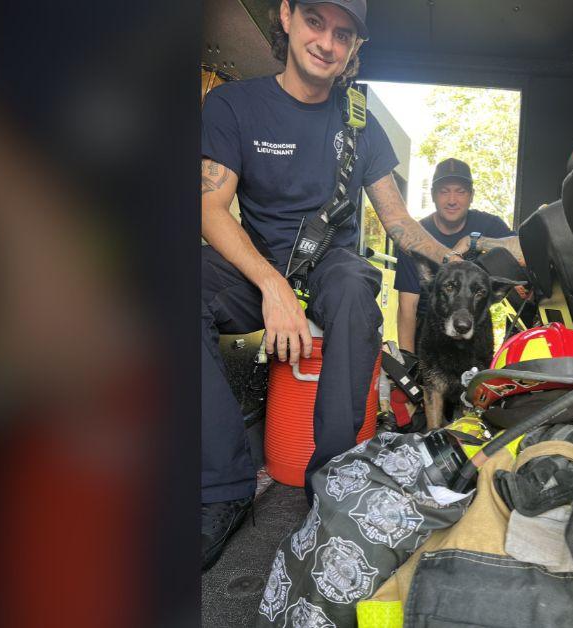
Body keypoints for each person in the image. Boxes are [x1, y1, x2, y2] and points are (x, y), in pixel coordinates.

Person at [199, 0, 459, 570]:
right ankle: (222, 487)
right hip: (258, 264)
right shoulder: (233, 103)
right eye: (316, 21)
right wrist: (272, 286)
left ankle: (334, 479)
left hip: (329, 268)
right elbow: (210, 207)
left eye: (343, 34)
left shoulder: (359, 120)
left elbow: (397, 221)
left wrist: (463, 261)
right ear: (287, 16)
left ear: (354, 49)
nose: (327, 42)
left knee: (354, 292)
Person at [394, 158, 522, 352]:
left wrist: (475, 241)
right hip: (430, 334)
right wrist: (407, 363)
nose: (452, 200)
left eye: (460, 191)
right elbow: (407, 306)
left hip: (476, 334)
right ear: (433, 195)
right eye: (444, 191)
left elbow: (525, 250)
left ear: (471, 196)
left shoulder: (490, 225)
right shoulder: (416, 237)